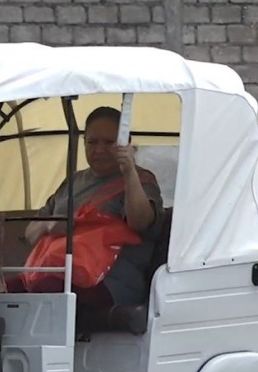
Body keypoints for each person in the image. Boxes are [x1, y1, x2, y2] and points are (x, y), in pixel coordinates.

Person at [10, 106, 164, 308]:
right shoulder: (72, 182)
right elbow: (31, 233)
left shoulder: (141, 180)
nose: (99, 150)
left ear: (125, 143)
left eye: (109, 143)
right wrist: (49, 226)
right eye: (92, 142)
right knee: (3, 293)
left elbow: (140, 223)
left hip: (109, 281)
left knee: (48, 292)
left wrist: (129, 172)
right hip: (59, 271)